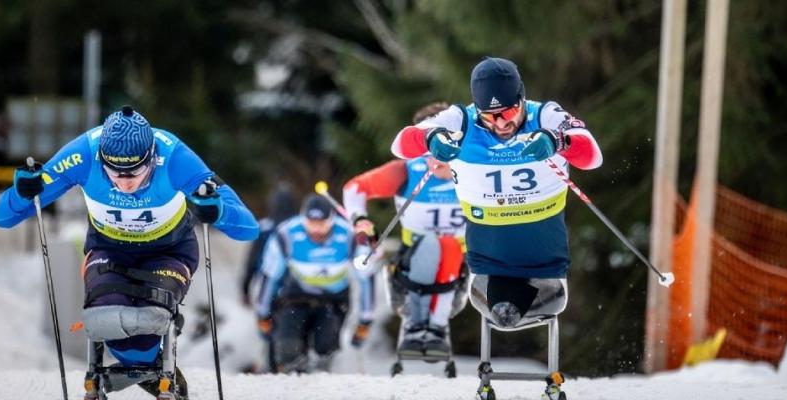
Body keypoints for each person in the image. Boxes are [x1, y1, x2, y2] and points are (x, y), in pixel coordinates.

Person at [0, 105, 258, 398]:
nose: (125, 182)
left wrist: (219, 211)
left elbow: (248, 228)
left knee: (151, 319)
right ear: (101, 160)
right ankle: (154, 371)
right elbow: (3, 217)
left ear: (151, 159)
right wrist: (22, 192)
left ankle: (159, 364)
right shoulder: (82, 154)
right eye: (114, 173)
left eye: (135, 172)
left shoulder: (174, 158)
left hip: (168, 250)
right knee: (105, 321)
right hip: (109, 249)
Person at [391, 57, 602, 400]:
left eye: (508, 111)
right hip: (491, 260)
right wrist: (431, 139)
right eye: (490, 115)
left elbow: (593, 156)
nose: (501, 122)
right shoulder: (460, 119)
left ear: (522, 98)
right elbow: (400, 144)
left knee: (534, 303)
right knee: (503, 313)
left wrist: (558, 142)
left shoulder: (545, 115)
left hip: (544, 257)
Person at [343, 102, 469, 362]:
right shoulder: (407, 172)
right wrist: (361, 220)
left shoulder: (473, 171)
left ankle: (435, 328)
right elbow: (355, 188)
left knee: (449, 246)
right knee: (435, 244)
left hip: (459, 272)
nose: (439, 159)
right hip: (412, 267)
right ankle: (419, 325)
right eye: (429, 151)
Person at [254, 194, 375, 373]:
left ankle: (320, 379)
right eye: (311, 224)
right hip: (296, 297)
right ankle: (290, 378)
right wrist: (262, 313)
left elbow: (366, 277)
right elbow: (269, 275)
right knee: (288, 346)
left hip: (333, 301)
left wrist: (366, 318)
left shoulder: (349, 235)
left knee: (325, 345)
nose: (317, 230)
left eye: (323, 224)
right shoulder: (287, 233)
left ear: (332, 220)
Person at [241, 182, 299, 307]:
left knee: (266, 319)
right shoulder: (298, 228)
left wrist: (245, 289)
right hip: (296, 286)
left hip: (267, 282)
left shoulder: (264, 227)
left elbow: (252, 261)